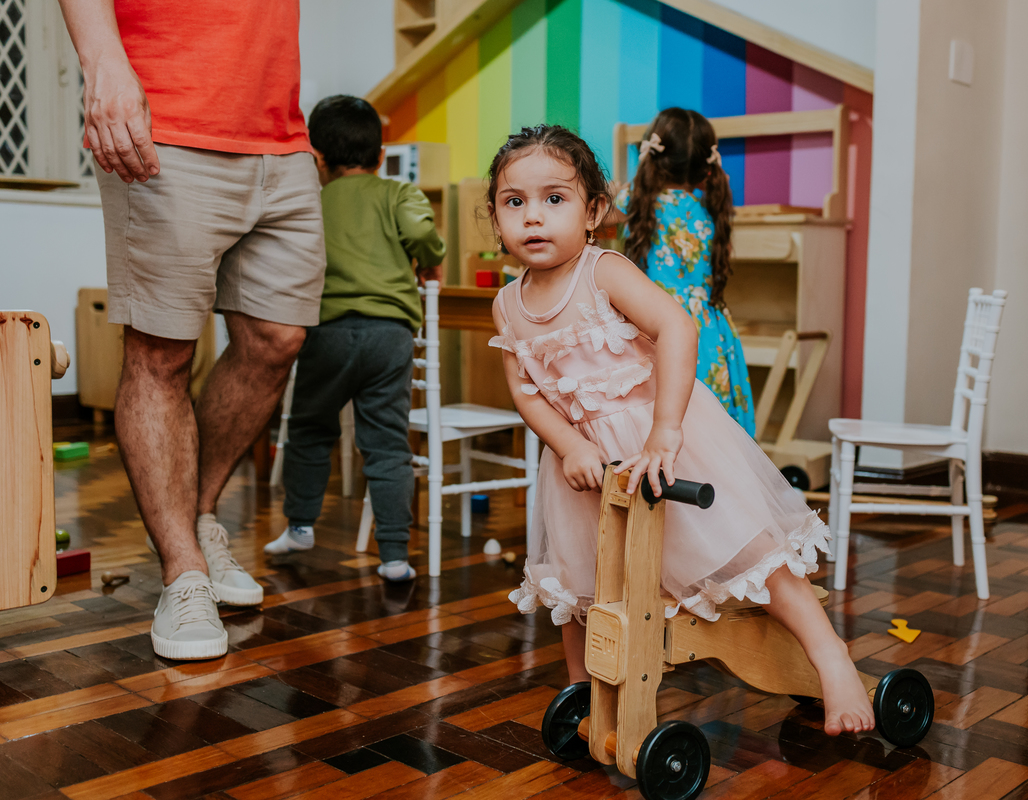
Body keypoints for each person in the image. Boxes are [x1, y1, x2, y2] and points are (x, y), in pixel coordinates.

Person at [486, 125, 874, 735]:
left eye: (554, 199)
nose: (534, 217)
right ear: (496, 217)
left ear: (594, 212)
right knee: (581, 582)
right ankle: (585, 696)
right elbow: (525, 391)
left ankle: (831, 658)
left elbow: (677, 329)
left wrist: (665, 432)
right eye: (515, 202)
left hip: (660, 438)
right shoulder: (508, 303)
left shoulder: (603, 272)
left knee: (748, 549)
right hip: (585, 463)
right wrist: (568, 445)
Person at [58, 0, 326, 660]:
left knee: (277, 339)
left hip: (280, 137)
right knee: (161, 353)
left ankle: (199, 519)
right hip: (165, 118)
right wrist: (103, 63)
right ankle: (182, 574)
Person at [263, 95, 445, 581]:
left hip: (327, 332)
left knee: (308, 430)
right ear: (381, 156)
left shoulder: (311, 201)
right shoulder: (398, 195)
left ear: (317, 158)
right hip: (391, 336)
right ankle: (393, 556)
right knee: (387, 444)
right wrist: (430, 259)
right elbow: (422, 235)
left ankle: (301, 525)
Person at [609, 108, 755, 435]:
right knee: (708, 423)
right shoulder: (712, 206)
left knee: (658, 411)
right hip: (709, 330)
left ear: (651, 155)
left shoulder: (636, 200)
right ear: (706, 167)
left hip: (657, 324)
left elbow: (594, 219)